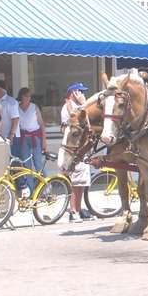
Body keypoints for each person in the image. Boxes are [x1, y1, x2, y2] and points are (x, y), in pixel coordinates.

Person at [61, 82, 93, 223]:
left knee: (81, 181)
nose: (83, 94)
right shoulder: (69, 107)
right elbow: (80, 123)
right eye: (80, 91)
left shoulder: (77, 106)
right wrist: (83, 104)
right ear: (74, 92)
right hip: (74, 147)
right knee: (75, 181)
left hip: (82, 147)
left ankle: (79, 209)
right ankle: (73, 211)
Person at [0, 80, 26, 193]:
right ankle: (6, 187)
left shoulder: (11, 102)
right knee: (2, 162)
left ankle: (23, 187)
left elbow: (16, 118)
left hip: (11, 137)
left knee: (14, 161)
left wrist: (11, 135)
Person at [16, 87, 47, 193]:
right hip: (24, 136)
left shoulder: (34, 107)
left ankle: (46, 186)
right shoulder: (17, 107)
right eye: (26, 95)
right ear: (21, 96)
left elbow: (41, 124)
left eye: (29, 96)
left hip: (35, 135)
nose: (28, 98)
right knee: (26, 164)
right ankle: (31, 189)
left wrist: (44, 140)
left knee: (38, 161)